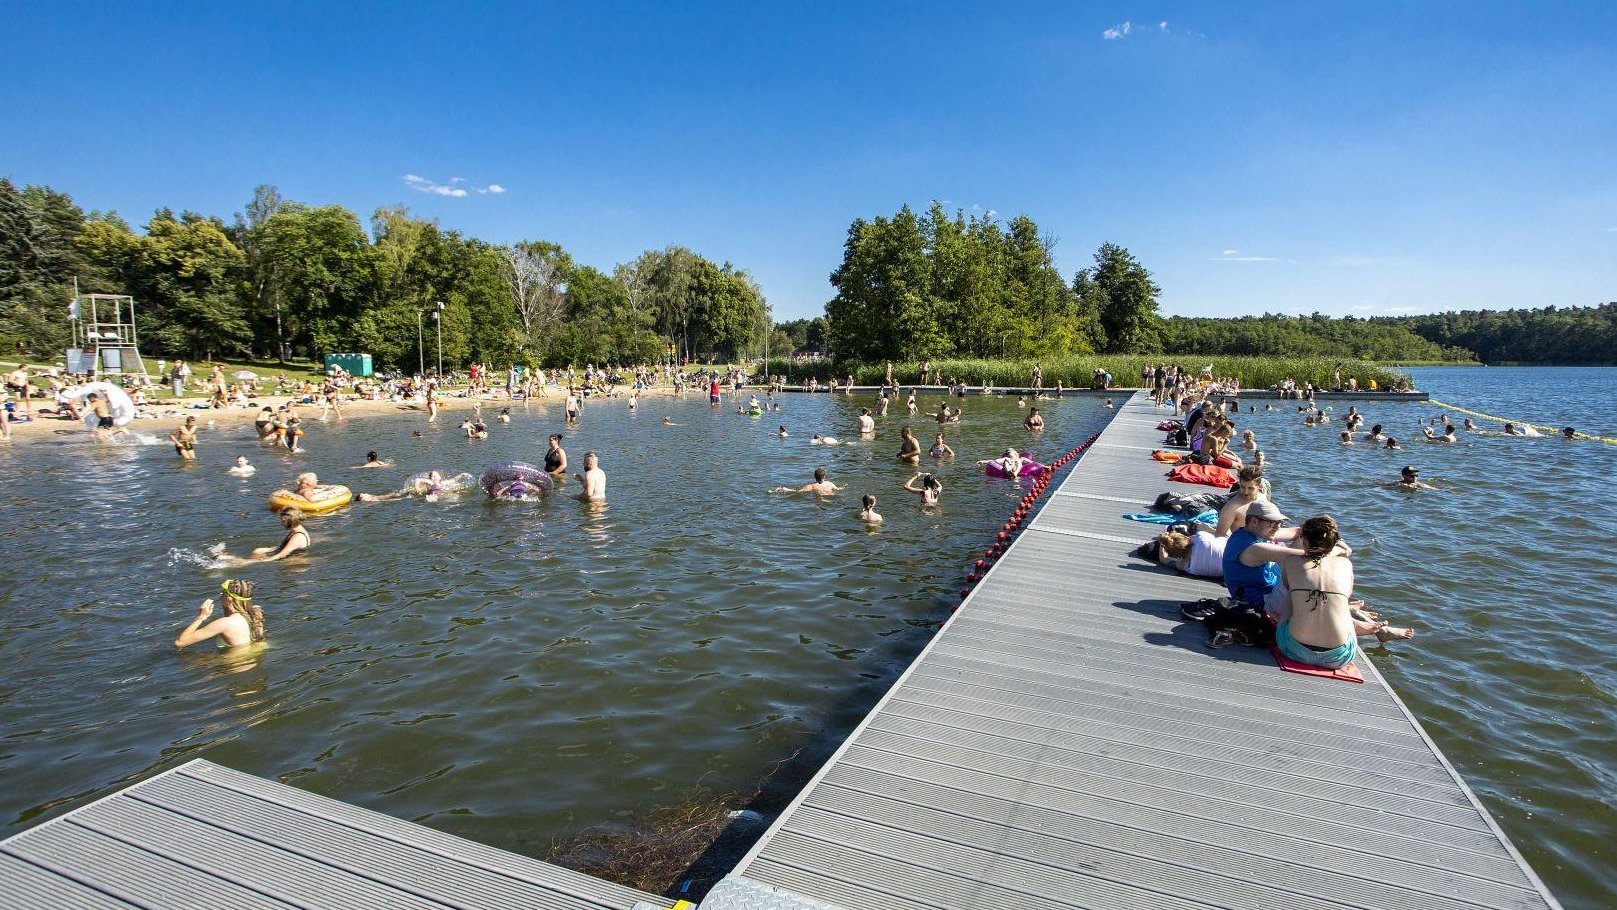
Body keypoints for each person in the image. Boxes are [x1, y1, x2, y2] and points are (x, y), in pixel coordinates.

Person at [1273, 515, 1413, 669]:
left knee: (1291, 594)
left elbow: (1287, 585)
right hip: (1338, 657)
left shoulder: (1291, 562)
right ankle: (1371, 628)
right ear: (1333, 543)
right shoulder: (1345, 564)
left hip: (1294, 650)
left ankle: (1370, 628)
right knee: (1340, 600)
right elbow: (1347, 591)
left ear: (1304, 541)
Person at [1222, 500, 1305, 618]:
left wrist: (1325, 533)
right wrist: (1338, 549)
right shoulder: (1253, 548)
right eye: (1273, 523)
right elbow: (1305, 556)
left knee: (1303, 538)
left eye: (1279, 523)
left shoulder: (1249, 532)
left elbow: (1298, 532)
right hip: (1263, 604)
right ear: (1255, 521)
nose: (1277, 527)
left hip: (1269, 588)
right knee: (1300, 568)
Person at [174, 579, 265, 650]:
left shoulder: (225, 623)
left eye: (222, 594)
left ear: (228, 599)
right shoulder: (256, 613)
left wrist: (201, 617)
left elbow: (180, 642)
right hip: (251, 659)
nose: (220, 596)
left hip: (234, 666)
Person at [1157, 527, 1227, 578]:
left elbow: (1163, 559)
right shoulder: (1201, 537)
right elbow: (1220, 533)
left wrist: (1162, 544)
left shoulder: (1188, 566)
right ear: (1185, 537)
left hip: (1230, 571)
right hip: (1234, 551)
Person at [772, 467, 843, 495]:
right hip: (830, 496)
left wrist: (785, 489)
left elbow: (798, 492)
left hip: (819, 499)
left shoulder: (811, 486)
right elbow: (838, 489)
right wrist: (844, 486)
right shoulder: (830, 484)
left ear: (814, 476)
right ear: (825, 476)